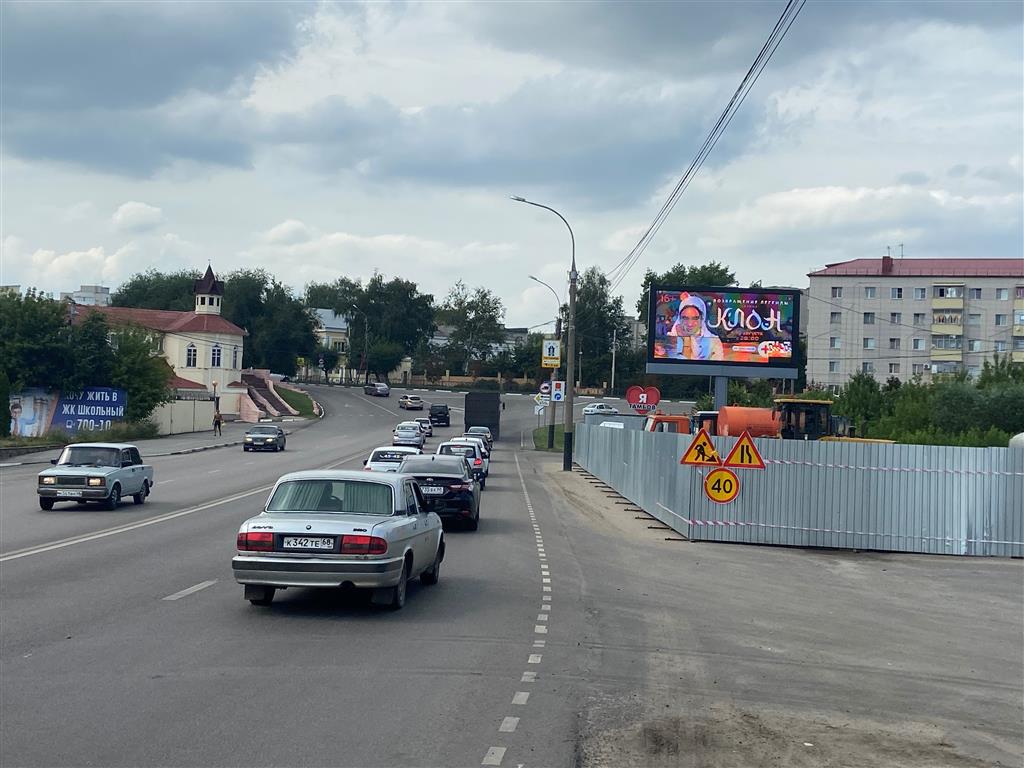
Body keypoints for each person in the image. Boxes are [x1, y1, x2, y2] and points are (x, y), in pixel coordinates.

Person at [667, 294, 724, 361]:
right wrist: (686, 340)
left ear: (702, 318)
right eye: (685, 318)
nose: (690, 324)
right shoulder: (672, 338)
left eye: (695, 318)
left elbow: (715, 369)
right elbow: (677, 368)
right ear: (679, 318)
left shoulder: (714, 341)